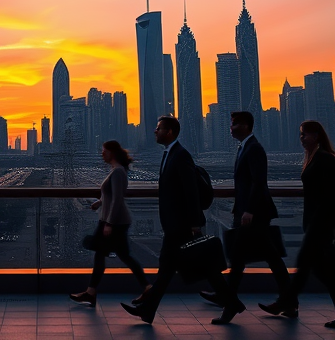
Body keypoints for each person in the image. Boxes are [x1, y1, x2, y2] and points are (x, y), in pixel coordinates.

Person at [122, 116, 240, 325]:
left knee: (172, 268)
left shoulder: (181, 155)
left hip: (183, 225)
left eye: (158, 129)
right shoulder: (171, 154)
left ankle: (148, 310)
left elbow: (191, 191)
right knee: (176, 269)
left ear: (169, 132)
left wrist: (194, 222)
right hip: (176, 224)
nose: (154, 132)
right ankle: (149, 311)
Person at [259, 120, 335, 329]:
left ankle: (286, 303)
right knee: (322, 270)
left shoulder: (324, 159)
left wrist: (334, 226)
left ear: (316, 135)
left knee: (305, 265)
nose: (301, 138)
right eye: (300, 135)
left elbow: (330, 195)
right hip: (317, 221)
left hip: (322, 223)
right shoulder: (314, 157)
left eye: (304, 134)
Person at [201, 111, 291, 324]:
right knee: (256, 258)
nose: (230, 128)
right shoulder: (245, 147)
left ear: (245, 126)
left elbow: (258, 182)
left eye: (233, 125)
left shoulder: (254, 148)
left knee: (247, 257)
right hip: (249, 212)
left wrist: (249, 210)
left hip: (254, 214)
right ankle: (289, 301)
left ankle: (229, 303)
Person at [70, 141, 150, 307]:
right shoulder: (116, 171)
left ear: (112, 152)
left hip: (114, 222)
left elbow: (118, 199)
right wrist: (99, 203)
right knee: (110, 255)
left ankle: (147, 287)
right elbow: (111, 196)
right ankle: (91, 292)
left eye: (104, 151)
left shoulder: (118, 172)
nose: (102, 154)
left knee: (118, 255)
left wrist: (109, 224)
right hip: (109, 220)